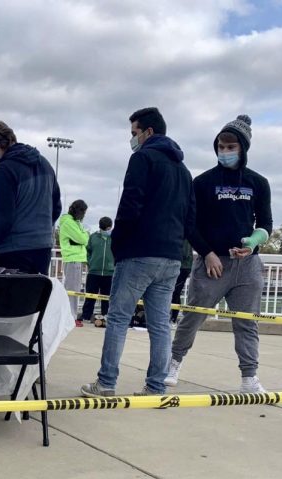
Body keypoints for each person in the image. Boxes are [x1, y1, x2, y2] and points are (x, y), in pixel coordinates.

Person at [81, 107, 194, 397]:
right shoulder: (183, 170)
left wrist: (118, 243)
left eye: (134, 133)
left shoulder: (142, 158)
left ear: (148, 132)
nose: (132, 139)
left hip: (139, 252)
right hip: (170, 256)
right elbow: (190, 216)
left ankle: (106, 382)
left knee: (118, 318)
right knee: (160, 325)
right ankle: (156, 385)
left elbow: (130, 204)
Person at [166, 114, 272, 393]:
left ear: (243, 148)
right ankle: (173, 361)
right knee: (193, 317)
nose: (225, 152)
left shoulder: (258, 183)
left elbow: (266, 223)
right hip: (212, 264)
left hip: (247, 265)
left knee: (246, 323)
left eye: (231, 147)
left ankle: (249, 377)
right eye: (221, 147)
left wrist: (253, 242)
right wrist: (207, 253)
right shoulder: (202, 182)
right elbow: (190, 224)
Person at [0, 119, 61, 274]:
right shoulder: (45, 164)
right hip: (43, 248)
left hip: (14, 251)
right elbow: (56, 207)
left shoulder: (5, 169)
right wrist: (39, 228)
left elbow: (2, 221)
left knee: (12, 298)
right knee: (36, 297)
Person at [58, 199, 89, 325]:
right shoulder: (69, 223)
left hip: (75, 259)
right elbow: (84, 239)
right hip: (73, 258)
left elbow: (83, 238)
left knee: (72, 288)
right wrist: (84, 233)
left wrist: (84, 234)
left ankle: (70, 316)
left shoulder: (73, 222)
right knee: (73, 289)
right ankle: (71, 317)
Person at [81, 216, 114, 327]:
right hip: (94, 272)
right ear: (101, 228)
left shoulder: (114, 238)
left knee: (107, 298)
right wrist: (90, 263)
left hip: (109, 273)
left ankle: (106, 318)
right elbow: (87, 251)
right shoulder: (93, 237)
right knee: (90, 296)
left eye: (109, 229)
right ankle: (85, 317)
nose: (107, 231)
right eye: (106, 229)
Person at [170, 239, 194, 326]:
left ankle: (173, 318)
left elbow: (185, 253)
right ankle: (172, 318)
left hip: (183, 267)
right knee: (174, 292)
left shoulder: (184, 236)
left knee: (175, 292)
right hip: (180, 265)